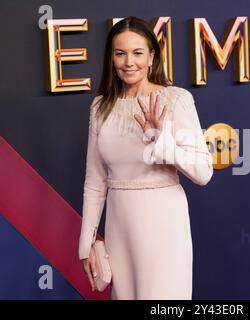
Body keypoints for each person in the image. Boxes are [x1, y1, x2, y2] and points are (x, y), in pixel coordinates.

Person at [78, 16, 213, 300]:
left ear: (152, 56)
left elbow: (203, 172)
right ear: (111, 59)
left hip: (163, 224)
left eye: (138, 53)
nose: (129, 62)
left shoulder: (175, 99)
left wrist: (161, 141)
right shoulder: (100, 107)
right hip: (119, 227)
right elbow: (95, 181)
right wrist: (86, 244)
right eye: (120, 53)